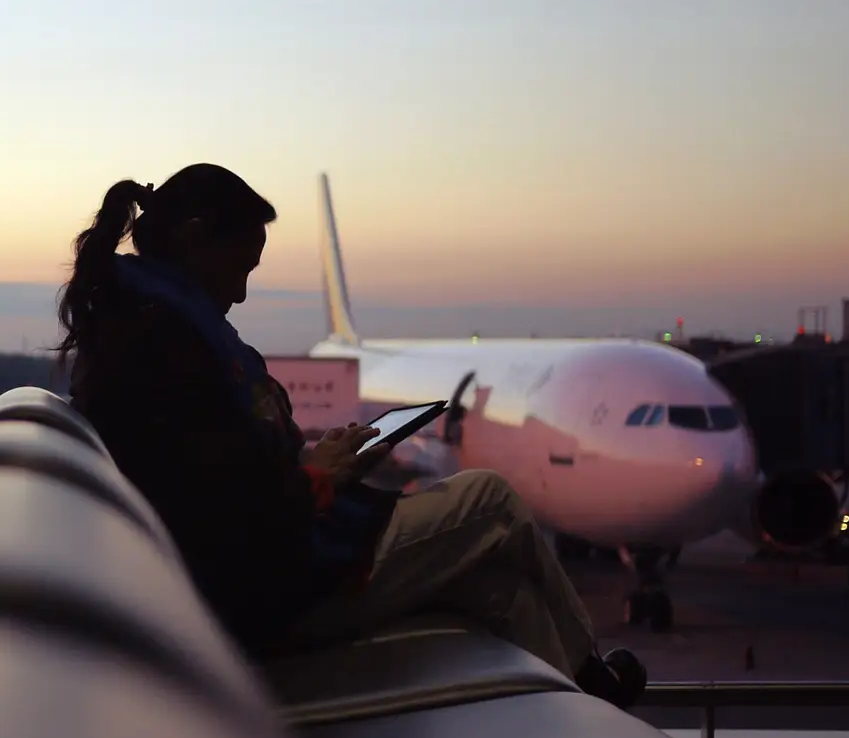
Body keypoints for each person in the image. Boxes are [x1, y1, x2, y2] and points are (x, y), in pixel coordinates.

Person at [60, 164, 645, 706]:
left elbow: (212, 474)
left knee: (502, 586)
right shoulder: (162, 345)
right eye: (240, 268)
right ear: (194, 238)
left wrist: (317, 465)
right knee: (490, 501)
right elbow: (212, 513)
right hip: (263, 596)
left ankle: (583, 719)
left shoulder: (144, 326)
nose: (240, 294)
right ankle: (592, 677)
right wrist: (316, 478)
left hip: (245, 582)